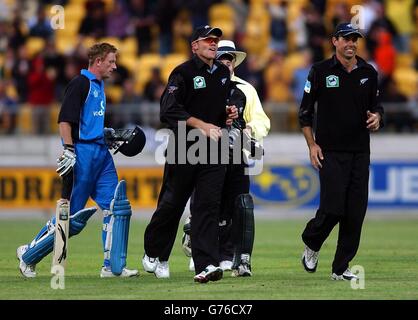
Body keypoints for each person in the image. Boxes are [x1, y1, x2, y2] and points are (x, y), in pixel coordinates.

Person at [16, 43, 139, 278]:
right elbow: (65, 120)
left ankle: (112, 267)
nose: (115, 66)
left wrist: (106, 134)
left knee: (117, 207)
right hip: (83, 154)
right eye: (111, 61)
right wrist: (69, 149)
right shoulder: (80, 83)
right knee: (70, 218)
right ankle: (28, 254)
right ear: (99, 61)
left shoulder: (100, 85)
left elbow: (89, 123)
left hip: (101, 154)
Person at [142, 25, 236, 283]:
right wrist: (202, 125)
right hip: (185, 147)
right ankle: (154, 252)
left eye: (215, 40)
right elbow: (168, 111)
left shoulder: (223, 74)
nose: (213, 43)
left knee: (207, 207)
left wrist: (226, 115)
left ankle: (206, 265)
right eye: (207, 40)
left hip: (214, 149)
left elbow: (216, 107)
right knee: (172, 205)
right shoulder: (182, 72)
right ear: (194, 45)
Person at [298, 23, 384, 280]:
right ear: (334, 41)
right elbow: (304, 113)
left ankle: (340, 268)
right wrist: (312, 145)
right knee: (333, 208)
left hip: (360, 151)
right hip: (330, 152)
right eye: (346, 39)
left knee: (355, 212)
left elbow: (377, 106)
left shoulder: (368, 71)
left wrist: (377, 117)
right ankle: (312, 243)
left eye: (354, 39)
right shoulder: (320, 71)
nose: (351, 44)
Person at [182, 40, 271, 277]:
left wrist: (250, 130)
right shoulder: (200, 84)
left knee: (236, 206)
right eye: (221, 58)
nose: (225, 62)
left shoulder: (246, 89)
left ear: (234, 63)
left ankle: (225, 255)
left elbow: (263, 121)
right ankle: (202, 251)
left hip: (236, 153)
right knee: (207, 204)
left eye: (229, 59)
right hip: (205, 152)